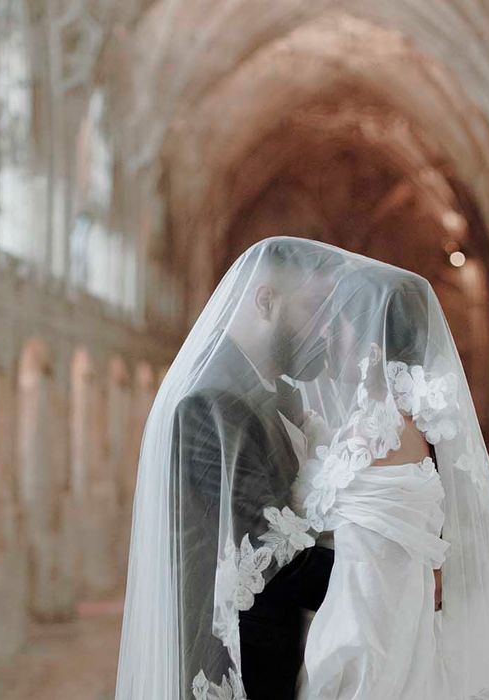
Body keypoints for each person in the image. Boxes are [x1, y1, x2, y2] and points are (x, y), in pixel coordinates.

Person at [115, 238, 345, 700]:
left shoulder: (278, 393)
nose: (325, 332)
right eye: (314, 310)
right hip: (229, 659)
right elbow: (269, 553)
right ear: (266, 301)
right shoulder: (210, 401)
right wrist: (389, 578)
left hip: (278, 650)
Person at [291, 264, 489, 699]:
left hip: (363, 631)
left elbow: (311, 503)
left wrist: (304, 431)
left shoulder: (375, 431)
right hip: (404, 623)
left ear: (371, 342)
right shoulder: (422, 426)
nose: (327, 336)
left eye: (340, 322)